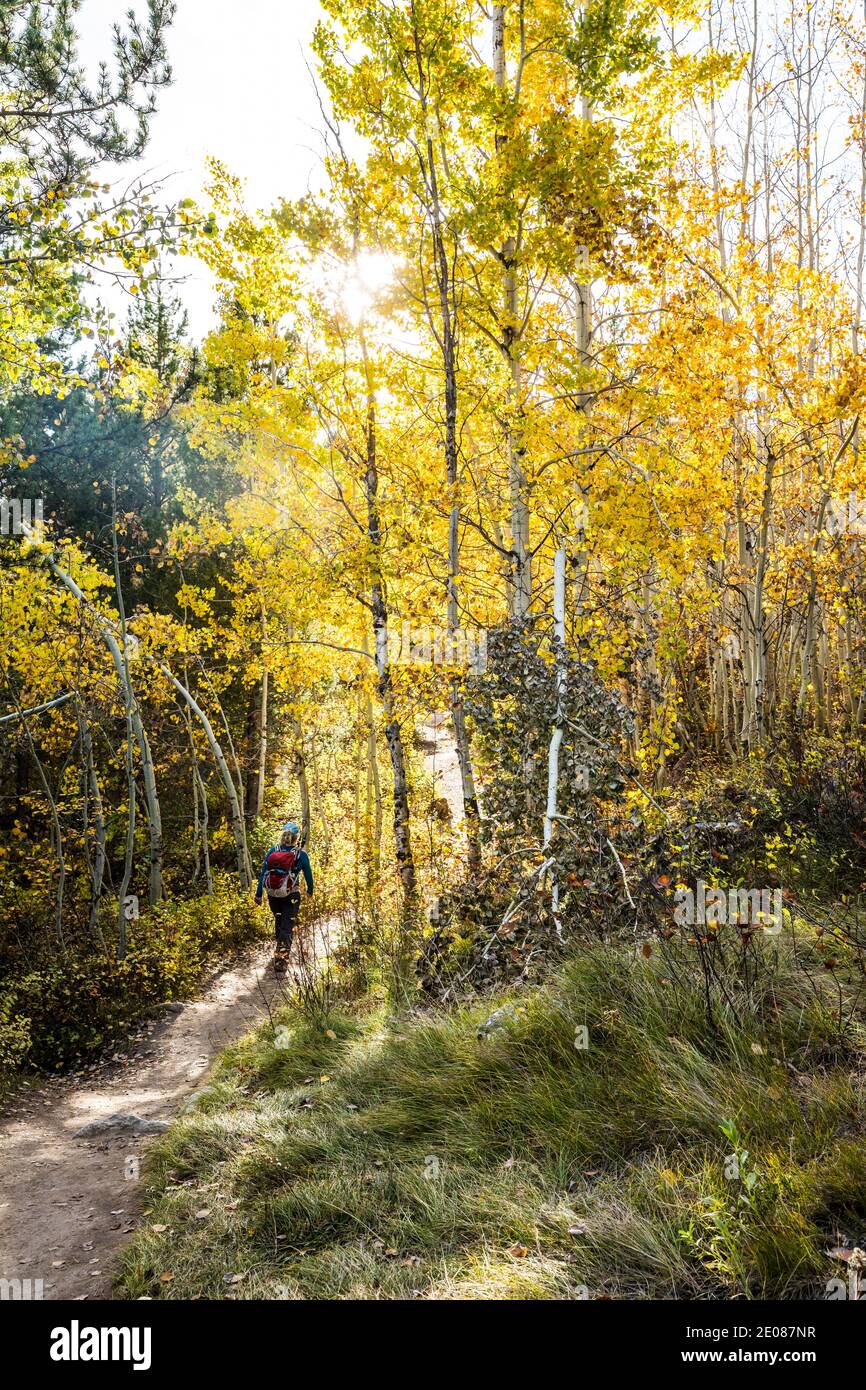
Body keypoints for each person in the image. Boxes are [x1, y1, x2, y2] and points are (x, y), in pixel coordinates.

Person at [254, 822, 313, 974]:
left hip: (273, 894)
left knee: (279, 920)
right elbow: (308, 874)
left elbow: (263, 873)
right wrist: (310, 891)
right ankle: (281, 959)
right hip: (291, 894)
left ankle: (279, 950)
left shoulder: (273, 851)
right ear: (296, 838)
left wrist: (259, 893)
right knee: (288, 924)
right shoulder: (300, 854)